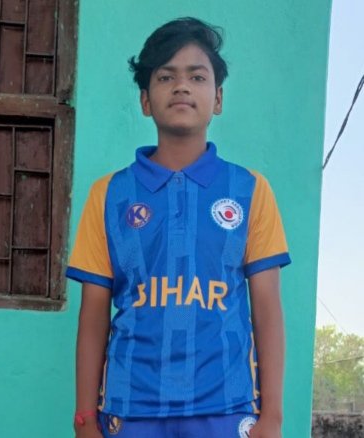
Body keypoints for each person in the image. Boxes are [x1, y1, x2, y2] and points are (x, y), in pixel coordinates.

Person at [66, 17, 291, 438]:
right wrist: (84, 419)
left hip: (226, 410)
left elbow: (266, 309)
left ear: (217, 98)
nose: (182, 87)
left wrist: (272, 417)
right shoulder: (109, 194)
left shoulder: (250, 190)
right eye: (166, 76)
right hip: (129, 411)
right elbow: (93, 314)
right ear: (145, 100)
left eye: (197, 77)